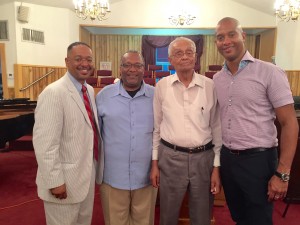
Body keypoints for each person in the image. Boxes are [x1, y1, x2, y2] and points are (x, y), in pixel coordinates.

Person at [213, 17, 299, 225]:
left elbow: (290, 123)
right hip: (229, 160)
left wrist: (283, 173)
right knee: (238, 215)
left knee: (259, 219)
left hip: (258, 161)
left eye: (231, 34)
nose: (226, 41)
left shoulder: (269, 72)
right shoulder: (217, 79)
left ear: (243, 36)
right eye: (220, 37)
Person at [150, 37, 222, 225]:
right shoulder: (162, 86)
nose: (184, 57)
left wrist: (216, 167)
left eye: (189, 52)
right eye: (178, 53)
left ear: (196, 57)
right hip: (171, 157)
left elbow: (216, 128)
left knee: (202, 215)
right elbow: (156, 128)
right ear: (171, 59)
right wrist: (155, 163)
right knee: (168, 214)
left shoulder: (210, 85)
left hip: (203, 159)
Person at [33, 42, 104, 225]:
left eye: (88, 59)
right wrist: (55, 182)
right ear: (67, 61)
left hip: (85, 176)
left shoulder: (87, 89)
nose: (85, 64)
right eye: (78, 59)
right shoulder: (53, 93)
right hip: (63, 181)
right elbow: (45, 145)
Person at [96, 50, 157, 225]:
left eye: (137, 65)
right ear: (120, 68)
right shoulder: (103, 96)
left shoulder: (156, 96)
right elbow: (96, 136)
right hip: (113, 177)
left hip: (146, 177)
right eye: (127, 65)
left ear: (143, 69)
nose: (132, 70)